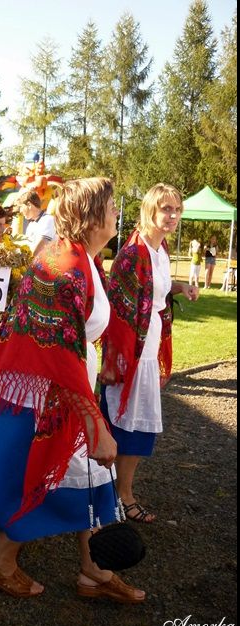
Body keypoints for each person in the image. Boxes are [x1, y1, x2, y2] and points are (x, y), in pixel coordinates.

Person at [0, 178, 145, 604]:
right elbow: (59, 356)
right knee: (53, 478)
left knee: (86, 477)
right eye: (111, 206)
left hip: (63, 390)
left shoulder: (83, 258)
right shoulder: (64, 266)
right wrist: (95, 424)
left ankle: (93, 570)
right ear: (90, 215)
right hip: (51, 396)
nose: (117, 213)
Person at [100, 183, 199, 524]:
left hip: (148, 346)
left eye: (177, 209)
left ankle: (118, 493)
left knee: (140, 426)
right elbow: (117, 308)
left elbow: (153, 291)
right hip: (131, 353)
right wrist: (123, 361)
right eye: (166, 209)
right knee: (125, 425)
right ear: (150, 211)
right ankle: (117, 497)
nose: (172, 215)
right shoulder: (132, 254)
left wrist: (179, 287)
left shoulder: (160, 249)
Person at [17, 190, 56, 256]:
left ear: (29, 204)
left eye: (21, 207)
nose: (20, 211)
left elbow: (41, 247)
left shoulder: (48, 219)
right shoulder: (31, 225)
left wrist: (29, 261)